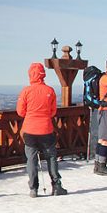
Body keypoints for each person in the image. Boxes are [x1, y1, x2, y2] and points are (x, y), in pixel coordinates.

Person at [16, 62, 67, 197]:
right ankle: (56, 186)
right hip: (46, 128)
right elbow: (53, 111)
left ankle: (33, 188)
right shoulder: (50, 91)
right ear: (43, 74)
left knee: (31, 160)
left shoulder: (26, 91)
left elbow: (20, 112)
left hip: (29, 129)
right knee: (51, 157)